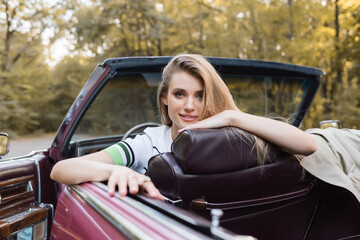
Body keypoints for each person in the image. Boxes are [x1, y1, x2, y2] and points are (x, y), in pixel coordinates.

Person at [50, 54, 317, 200]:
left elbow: (307, 144)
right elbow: (62, 169)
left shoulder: (234, 135)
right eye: (180, 94)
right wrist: (117, 170)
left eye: (200, 95)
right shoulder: (148, 142)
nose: (190, 106)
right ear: (164, 98)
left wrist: (232, 117)